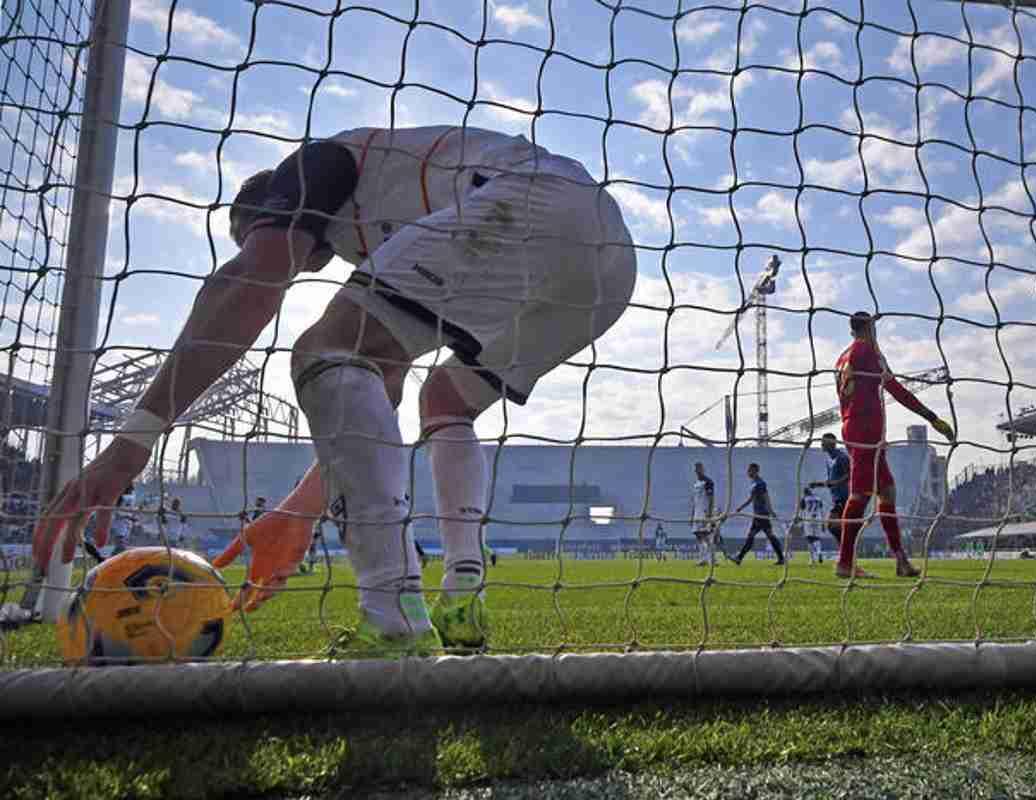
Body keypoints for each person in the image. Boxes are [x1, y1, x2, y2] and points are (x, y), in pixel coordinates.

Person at [33, 124, 637, 654]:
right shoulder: (394, 234)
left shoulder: (317, 165)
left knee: (325, 348)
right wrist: (297, 514)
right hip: (609, 266)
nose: (279, 253)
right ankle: (462, 592)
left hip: (538, 203)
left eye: (259, 232)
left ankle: (393, 621)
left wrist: (129, 447)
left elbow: (249, 284)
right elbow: (377, 400)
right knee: (444, 402)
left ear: (270, 209)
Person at [833, 312, 954, 579]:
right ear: (870, 328)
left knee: (887, 491)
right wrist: (931, 417)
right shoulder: (867, 351)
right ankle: (844, 563)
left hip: (857, 427)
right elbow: (895, 389)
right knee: (860, 495)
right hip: (864, 429)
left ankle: (901, 561)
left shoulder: (842, 357)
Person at [730, 463, 786, 566]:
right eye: (748, 470)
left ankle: (739, 558)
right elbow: (751, 499)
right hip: (757, 515)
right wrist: (741, 507)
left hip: (762, 514)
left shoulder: (761, 483)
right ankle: (782, 558)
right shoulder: (754, 483)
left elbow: (766, 497)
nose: (748, 472)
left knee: (755, 536)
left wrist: (771, 511)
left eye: (750, 470)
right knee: (769, 535)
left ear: (755, 471)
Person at [809, 433, 850, 544]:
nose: (822, 443)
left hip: (845, 497)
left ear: (832, 443)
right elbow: (830, 482)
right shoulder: (829, 460)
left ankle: (846, 552)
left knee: (832, 526)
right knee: (839, 527)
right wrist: (818, 484)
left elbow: (850, 475)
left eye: (824, 441)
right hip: (836, 498)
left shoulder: (842, 458)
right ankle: (846, 553)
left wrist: (836, 483)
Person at [690, 462, 719, 566]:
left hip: (705, 513)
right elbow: (695, 501)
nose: (698, 470)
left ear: (703, 469)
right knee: (698, 535)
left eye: (700, 468)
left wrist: (710, 514)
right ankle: (703, 559)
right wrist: (692, 514)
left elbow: (711, 499)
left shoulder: (708, 482)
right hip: (697, 514)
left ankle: (713, 559)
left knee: (706, 536)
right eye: (696, 468)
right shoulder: (696, 483)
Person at [800, 487, 824, 566]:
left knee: (809, 539)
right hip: (818, 519)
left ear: (805, 493)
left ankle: (812, 559)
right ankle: (819, 552)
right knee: (817, 538)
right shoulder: (818, 499)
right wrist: (823, 522)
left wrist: (800, 520)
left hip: (808, 519)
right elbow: (821, 510)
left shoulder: (804, 499)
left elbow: (801, 510)